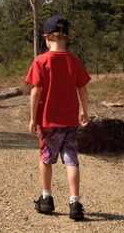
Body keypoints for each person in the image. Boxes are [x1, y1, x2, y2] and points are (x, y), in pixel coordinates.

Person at [25, 15, 91, 221]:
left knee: (46, 159)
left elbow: (36, 92)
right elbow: (82, 89)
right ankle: (74, 202)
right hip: (70, 120)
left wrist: (32, 118)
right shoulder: (74, 60)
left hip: (48, 122)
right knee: (72, 161)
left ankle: (46, 199)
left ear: (46, 38)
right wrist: (84, 111)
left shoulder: (41, 61)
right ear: (67, 38)